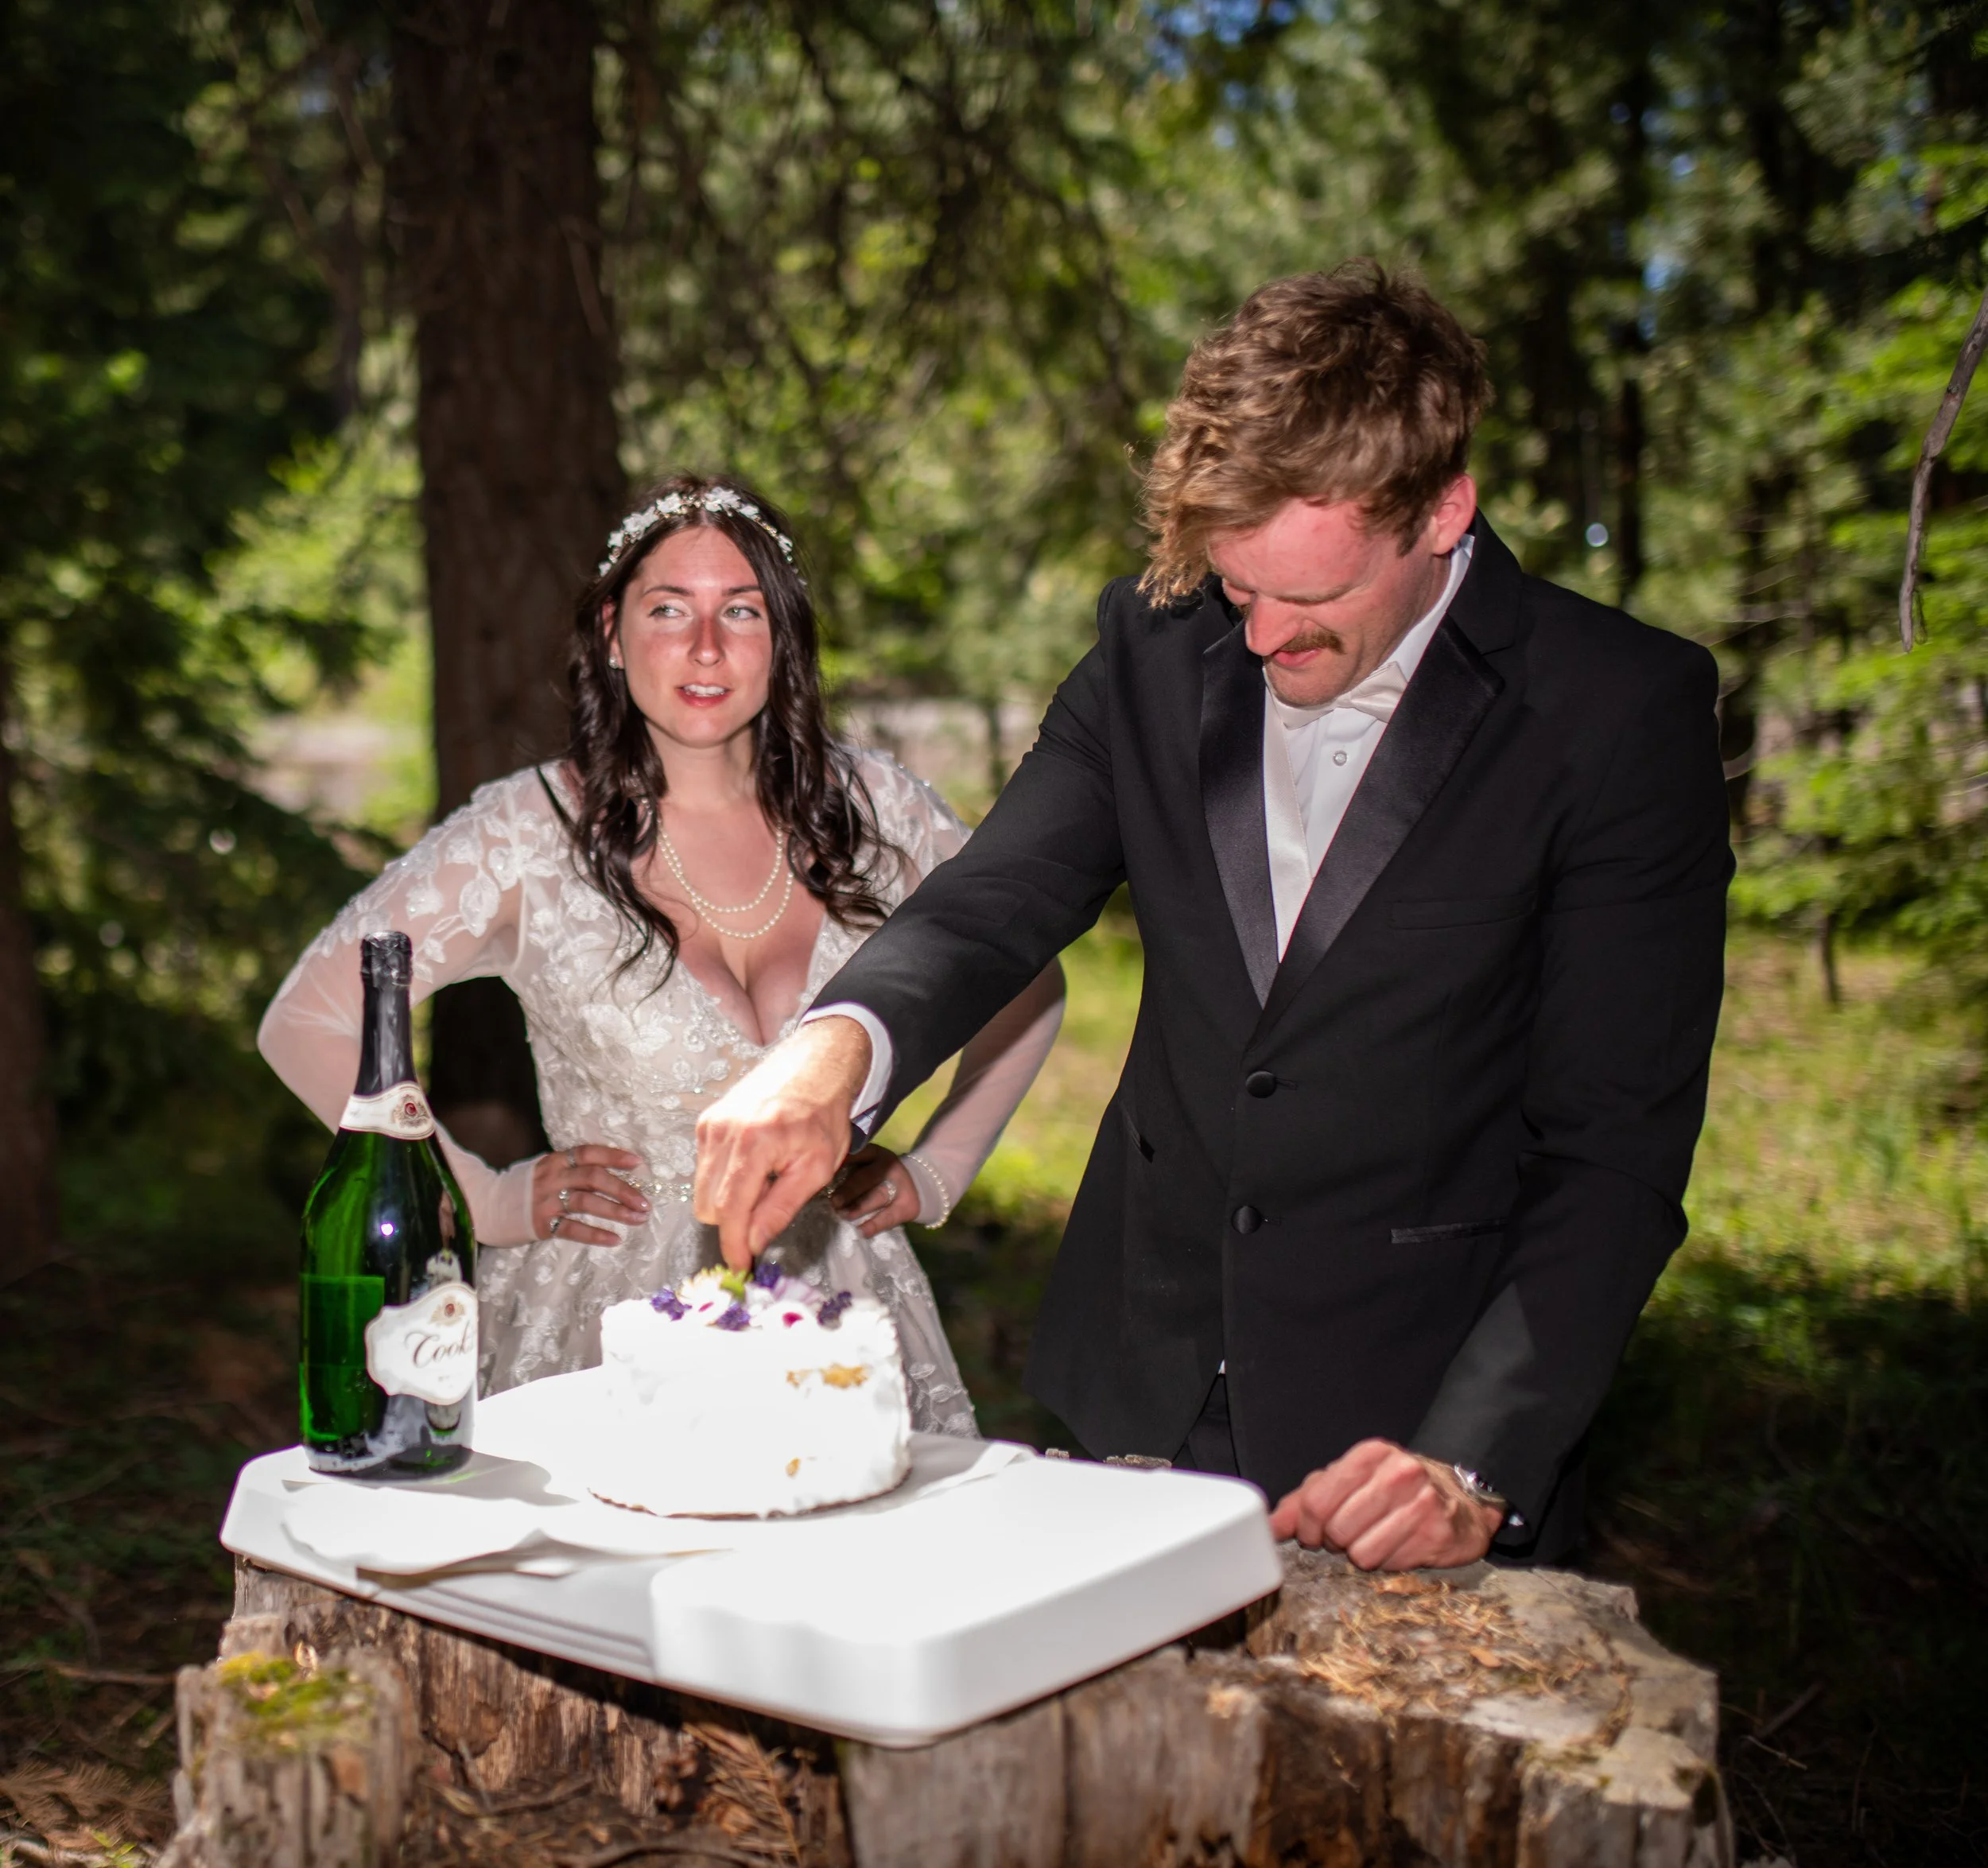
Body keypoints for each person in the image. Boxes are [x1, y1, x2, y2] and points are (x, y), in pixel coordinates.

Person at [689, 266, 1732, 1567]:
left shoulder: (1615, 712)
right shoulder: (1154, 643)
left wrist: (1473, 1453)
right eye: (1240, 590)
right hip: (1134, 1377)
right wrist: (831, 1052)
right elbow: (1000, 893)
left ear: (1443, 510)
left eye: (1313, 599)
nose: (1264, 639)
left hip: (1404, 1428)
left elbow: (1613, 1151)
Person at [259, 472, 1065, 1432]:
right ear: (611, 631)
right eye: (668, 609)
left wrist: (939, 1171)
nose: (706, 647)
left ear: (785, 640)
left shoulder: (876, 811)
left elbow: (1025, 974)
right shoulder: (529, 832)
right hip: (609, 1320)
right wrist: (478, 1196)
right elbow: (306, 1019)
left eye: (742, 612)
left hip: (840, 1302)